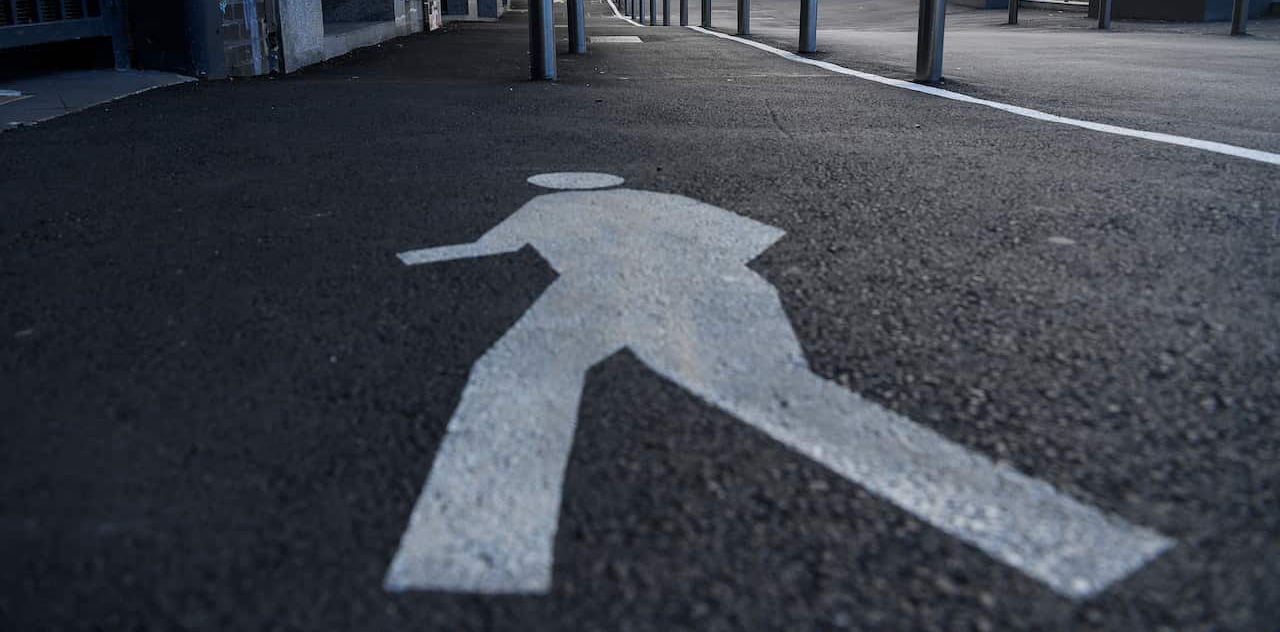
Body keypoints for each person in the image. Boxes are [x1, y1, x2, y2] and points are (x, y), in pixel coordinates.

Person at [383, 172, 1172, 599]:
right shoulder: (655, 198)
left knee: (531, 370)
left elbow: (484, 248)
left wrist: (426, 258)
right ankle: (476, 547)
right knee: (763, 393)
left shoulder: (541, 210)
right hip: (704, 286)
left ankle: (477, 551)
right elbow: (753, 235)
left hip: (632, 290)